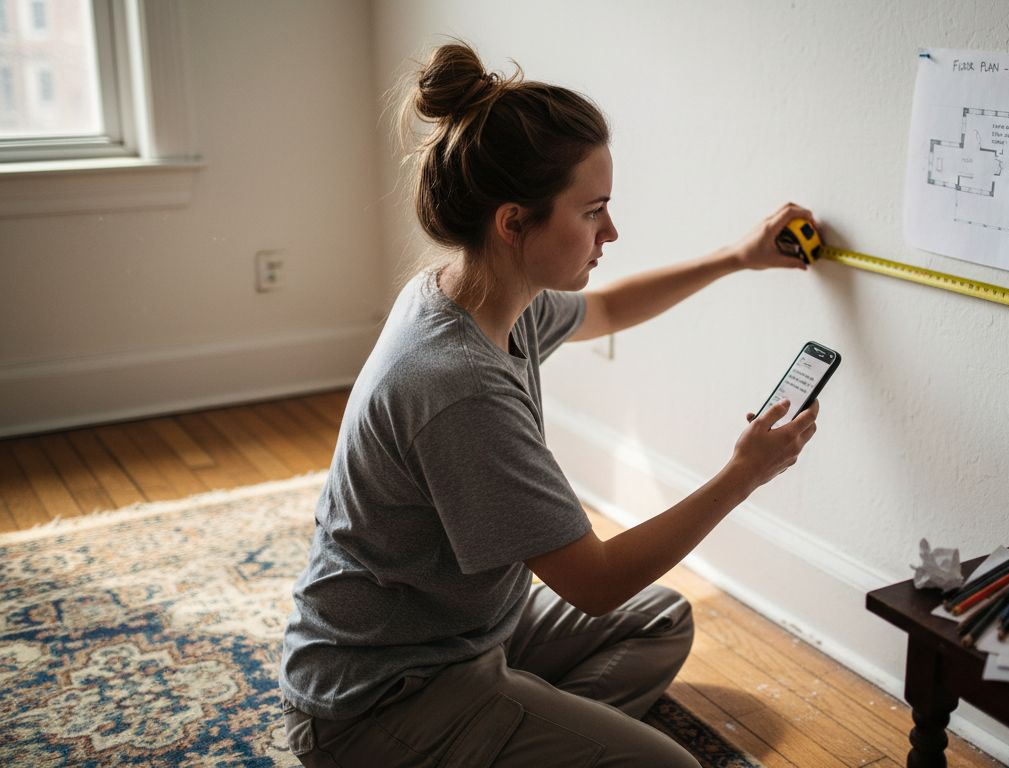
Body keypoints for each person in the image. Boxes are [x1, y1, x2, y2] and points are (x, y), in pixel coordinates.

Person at [279, 40, 821, 767]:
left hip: (473, 633)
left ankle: (514, 732)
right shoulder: (455, 383)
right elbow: (594, 583)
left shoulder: (480, 294)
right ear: (513, 223)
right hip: (380, 697)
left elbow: (605, 310)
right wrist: (743, 474)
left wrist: (736, 257)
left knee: (660, 620)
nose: (611, 232)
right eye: (593, 211)